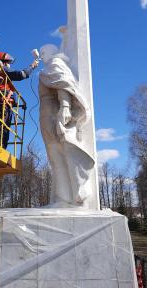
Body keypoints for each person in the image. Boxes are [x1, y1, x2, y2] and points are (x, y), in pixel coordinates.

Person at [39, 44, 96, 208]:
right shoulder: (51, 66)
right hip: (46, 116)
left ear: (50, 52)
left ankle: (73, 194)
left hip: (53, 115)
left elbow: (63, 84)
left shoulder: (55, 64)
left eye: (43, 53)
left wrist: (65, 107)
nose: (41, 56)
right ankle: (63, 198)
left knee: (61, 154)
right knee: (55, 158)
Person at [0, 51, 39, 148]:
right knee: (2, 126)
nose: (9, 64)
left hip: (4, 103)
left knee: (4, 127)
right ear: (3, 62)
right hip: (3, 103)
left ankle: (1, 146)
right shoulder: (3, 69)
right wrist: (32, 66)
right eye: (8, 62)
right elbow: (21, 74)